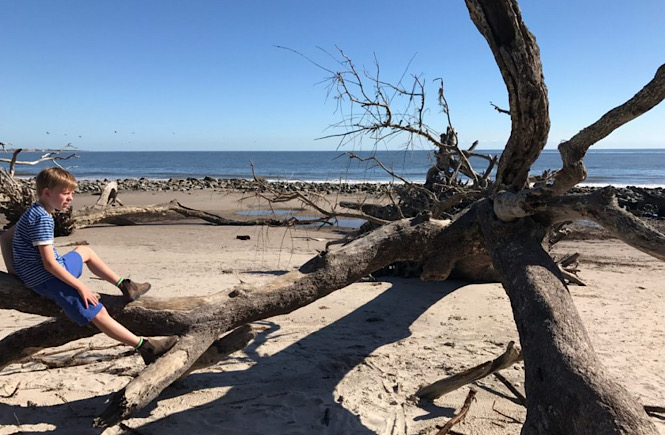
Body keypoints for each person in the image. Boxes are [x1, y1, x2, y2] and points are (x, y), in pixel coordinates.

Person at [0, 167, 176, 364]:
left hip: (43, 272)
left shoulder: (33, 211)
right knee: (98, 312)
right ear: (47, 192)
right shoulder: (42, 219)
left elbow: (5, 238)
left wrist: (15, 272)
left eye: (72, 194)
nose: (70, 199)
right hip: (49, 279)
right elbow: (49, 264)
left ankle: (126, 286)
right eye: (65, 193)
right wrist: (81, 286)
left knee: (85, 251)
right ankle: (146, 347)